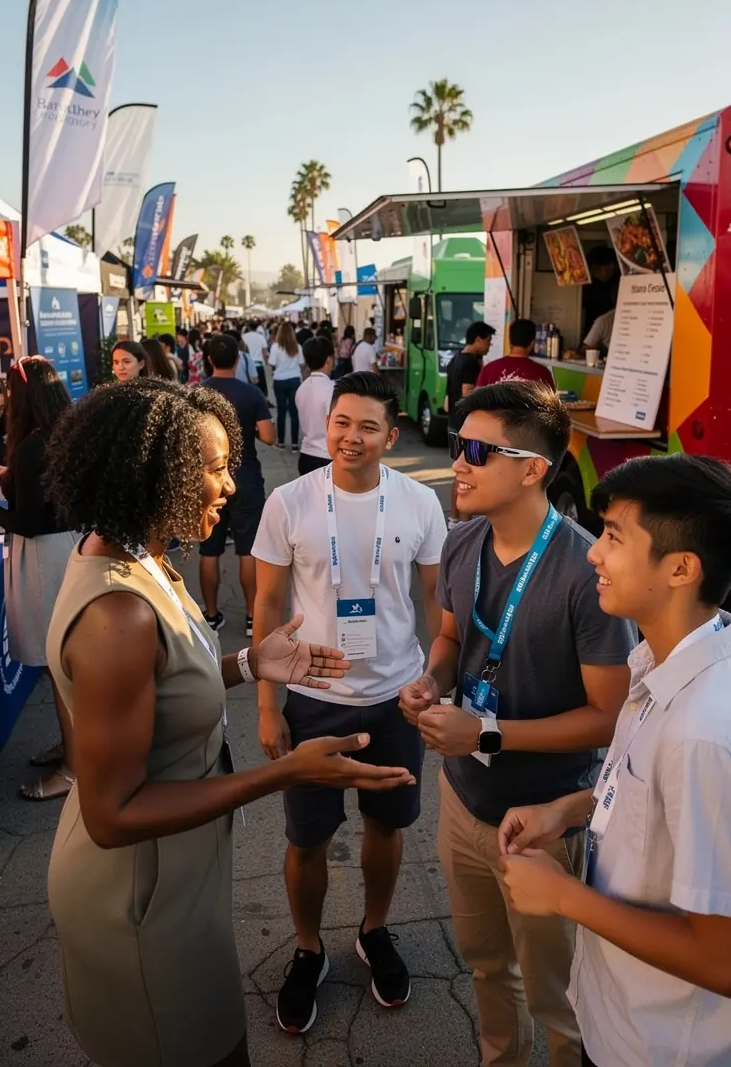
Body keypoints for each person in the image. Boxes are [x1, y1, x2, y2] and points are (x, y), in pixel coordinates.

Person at [42, 377, 415, 1067]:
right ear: (155, 474)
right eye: (213, 469)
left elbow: (160, 689)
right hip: (139, 894)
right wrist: (285, 772)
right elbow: (112, 814)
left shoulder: (138, 556)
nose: (230, 486)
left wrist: (248, 664)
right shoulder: (119, 611)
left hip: (177, 867)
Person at [399, 381, 634, 1067]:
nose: (459, 463)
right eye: (456, 445)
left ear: (533, 469)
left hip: (543, 822)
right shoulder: (461, 540)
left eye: (476, 450)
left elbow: (609, 720)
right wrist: (429, 682)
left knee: (557, 996)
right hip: (463, 803)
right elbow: (449, 642)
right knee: (484, 967)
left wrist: (488, 735)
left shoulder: (586, 570)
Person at [498, 454, 731, 1067]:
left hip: (659, 1046)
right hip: (615, 1014)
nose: (593, 554)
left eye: (613, 537)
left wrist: (563, 897)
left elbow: (720, 958)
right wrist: (570, 809)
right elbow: (651, 797)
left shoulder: (703, 729)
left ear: (681, 568)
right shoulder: (661, 662)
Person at [253, 370, 446, 1035]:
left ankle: (375, 930)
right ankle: (307, 949)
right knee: (307, 838)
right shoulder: (289, 501)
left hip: (395, 698)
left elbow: (435, 605)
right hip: (312, 699)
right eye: (341, 422)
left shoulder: (422, 504)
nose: (350, 437)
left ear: (393, 436)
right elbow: (268, 607)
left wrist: (434, 683)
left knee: (387, 826)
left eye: (367, 426)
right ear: (326, 424)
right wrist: (267, 703)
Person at [0, 357, 78, 801]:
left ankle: (74, 768)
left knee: (58, 664)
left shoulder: (32, 446)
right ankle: (73, 748)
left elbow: (27, 522)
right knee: (63, 662)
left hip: (45, 559)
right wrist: (13, 478)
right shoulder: (66, 432)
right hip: (68, 549)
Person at [199, 335, 275, 636]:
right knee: (248, 550)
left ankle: (211, 615)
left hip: (208, 480)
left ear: (209, 360)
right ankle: (252, 617)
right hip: (246, 477)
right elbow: (268, 436)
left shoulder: (198, 393)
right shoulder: (252, 394)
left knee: (209, 550)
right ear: (238, 360)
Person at [445, 321, 495, 528]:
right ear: (478, 339)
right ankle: (465, 526)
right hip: (466, 425)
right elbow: (468, 393)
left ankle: (454, 519)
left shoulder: (455, 359)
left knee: (459, 473)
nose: (489, 346)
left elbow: (448, 397)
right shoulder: (471, 364)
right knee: (467, 475)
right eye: (488, 341)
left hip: (453, 422)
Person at [476, 319, 555, 388]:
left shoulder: (488, 369)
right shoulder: (542, 373)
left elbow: (475, 401)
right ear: (532, 343)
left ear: (510, 342)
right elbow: (552, 403)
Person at [295, 337, 335, 475]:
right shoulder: (332, 389)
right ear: (329, 360)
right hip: (327, 457)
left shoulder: (302, 388)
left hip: (306, 455)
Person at [269, 321, 303, 451]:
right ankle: (295, 443)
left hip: (280, 380)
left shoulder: (275, 347)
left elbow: (272, 363)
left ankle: (281, 441)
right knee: (294, 412)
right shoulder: (297, 347)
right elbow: (301, 363)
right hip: (294, 379)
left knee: (281, 412)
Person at [582, 245, 619, 337]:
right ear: (596, 267)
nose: (612, 269)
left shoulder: (612, 284)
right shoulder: (583, 289)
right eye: (610, 266)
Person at [242, 319, 269, 395]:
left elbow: (241, 350)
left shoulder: (243, 337)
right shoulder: (261, 337)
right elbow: (265, 351)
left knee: (248, 385)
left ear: (248, 327)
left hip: (246, 364)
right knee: (261, 386)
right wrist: (266, 361)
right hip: (258, 364)